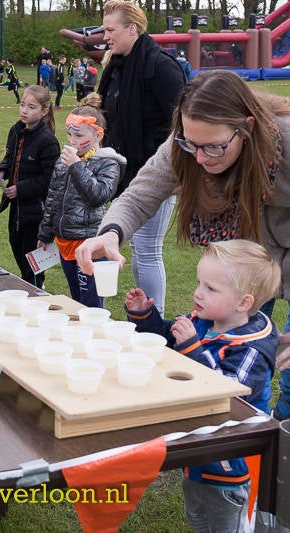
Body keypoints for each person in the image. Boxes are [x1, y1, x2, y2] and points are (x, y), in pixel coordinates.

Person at [75, 70, 290, 533]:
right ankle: (247, 476)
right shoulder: (188, 141)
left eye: (215, 147)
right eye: (192, 145)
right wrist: (109, 233)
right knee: (239, 364)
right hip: (250, 255)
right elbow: (140, 194)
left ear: (246, 128)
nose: (201, 156)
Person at [124, 239, 280, 532]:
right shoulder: (205, 320)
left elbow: (229, 390)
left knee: (226, 525)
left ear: (243, 302)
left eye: (210, 288)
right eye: (199, 283)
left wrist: (192, 350)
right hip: (198, 451)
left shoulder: (251, 350)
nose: (198, 293)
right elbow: (169, 341)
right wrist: (146, 317)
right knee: (198, 518)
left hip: (231, 462)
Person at [97, 0, 186, 316]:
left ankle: (153, 320)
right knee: (138, 249)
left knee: (147, 250)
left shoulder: (160, 67)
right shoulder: (116, 67)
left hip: (156, 174)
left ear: (132, 28)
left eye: (111, 29)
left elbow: (183, 123)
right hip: (123, 173)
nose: (106, 36)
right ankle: (146, 318)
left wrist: (170, 170)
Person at [37, 94, 125, 306]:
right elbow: (53, 197)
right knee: (76, 300)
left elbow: (99, 196)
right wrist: (45, 232)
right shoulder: (63, 160)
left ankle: (96, 336)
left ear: (97, 135)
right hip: (65, 241)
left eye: (78, 136)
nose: (71, 141)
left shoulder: (108, 163)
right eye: (69, 135)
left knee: (91, 302)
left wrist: (76, 166)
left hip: (90, 242)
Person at [0, 85, 59, 288]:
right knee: (17, 248)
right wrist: (1, 172)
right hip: (16, 209)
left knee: (33, 261)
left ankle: (37, 290)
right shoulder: (16, 130)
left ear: (44, 111)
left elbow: (51, 179)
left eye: (31, 107)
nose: (24, 111)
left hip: (36, 210)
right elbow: (9, 157)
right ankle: (30, 284)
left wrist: (21, 188)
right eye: (22, 105)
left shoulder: (48, 141)